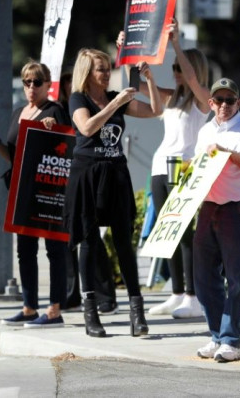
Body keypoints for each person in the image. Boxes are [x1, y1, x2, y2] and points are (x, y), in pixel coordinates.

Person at [63, 48, 161, 338]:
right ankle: (91, 311)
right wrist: (114, 104)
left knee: (123, 243)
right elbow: (87, 126)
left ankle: (137, 312)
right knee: (90, 242)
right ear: (87, 72)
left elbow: (155, 110)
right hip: (88, 174)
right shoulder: (78, 99)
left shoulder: (116, 97)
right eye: (100, 69)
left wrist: (150, 81)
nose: (106, 74)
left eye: (107, 68)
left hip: (116, 174)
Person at [119, 19, 211, 319]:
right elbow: (140, 90)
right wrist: (127, 56)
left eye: (180, 68)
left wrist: (174, 44)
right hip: (161, 165)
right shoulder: (172, 97)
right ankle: (176, 292)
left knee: (184, 232)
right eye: (173, 68)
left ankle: (193, 296)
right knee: (167, 231)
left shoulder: (202, 100)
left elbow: (195, 81)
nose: (176, 72)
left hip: (183, 165)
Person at [0, 61, 71, 328]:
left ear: (47, 85)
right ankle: (29, 306)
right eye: (27, 82)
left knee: (55, 249)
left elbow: (66, 145)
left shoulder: (54, 110)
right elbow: (13, 154)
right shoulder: (19, 111)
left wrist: (52, 127)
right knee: (25, 251)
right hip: (22, 188)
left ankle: (55, 309)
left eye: (37, 82)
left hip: (48, 188)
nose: (31, 87)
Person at [193, 77, 240, 363]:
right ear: (210, 103)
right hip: (208, 206)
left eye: (229, 100)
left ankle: (231, 340)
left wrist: (228, 155)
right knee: (203, 278)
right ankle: (216, 335)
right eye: (218, 100)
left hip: (238, 209)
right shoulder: (205, 131)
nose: (224, 105)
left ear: (239, 103)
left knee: (236, 278)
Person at [59, 71, 118, 314]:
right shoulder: (61, 106)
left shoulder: (84, 102)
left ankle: (103, 295)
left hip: (85, 174)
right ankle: (72, 293)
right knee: (71, 237)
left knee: (89, 236)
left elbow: (85, 129)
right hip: (63, 175)